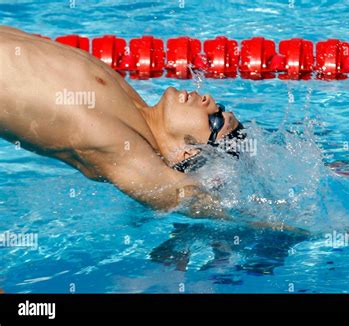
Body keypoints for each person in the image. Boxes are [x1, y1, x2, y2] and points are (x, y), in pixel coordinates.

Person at [0, 26, 245, 218]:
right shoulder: (136, 110)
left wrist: (274, 227)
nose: (209, 99)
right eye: (220, 109)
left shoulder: (120, 145)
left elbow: (180, 194)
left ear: (188, 152)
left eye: (215, 119)